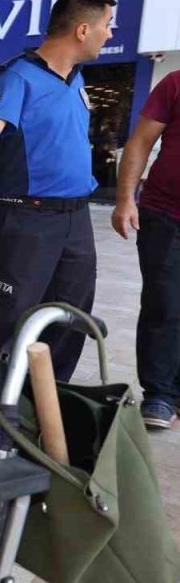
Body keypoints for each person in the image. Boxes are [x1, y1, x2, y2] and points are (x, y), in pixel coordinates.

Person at [0, 0, 115, 381]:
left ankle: (47, 401)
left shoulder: (75, 79)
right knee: (10, 315)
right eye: (106, 25)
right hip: (27, 220)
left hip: (75, 219)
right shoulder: (19, 75)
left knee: (70, 314)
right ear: (82, 30)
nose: (109, 34)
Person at [112, 69, 180, 430]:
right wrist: (125, 199)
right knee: (165, 304)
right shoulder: (175, 83)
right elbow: (139, 142)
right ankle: (160, 393)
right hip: (167, 215)